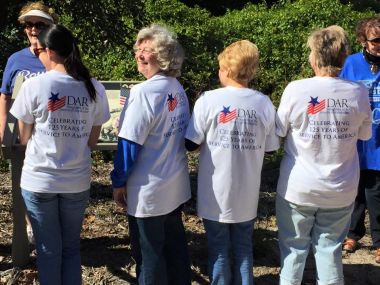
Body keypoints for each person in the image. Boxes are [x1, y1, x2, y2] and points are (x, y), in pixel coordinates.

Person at [9, 24, 110, 285]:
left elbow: (23, 137)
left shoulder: (33, 86)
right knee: (71, 248)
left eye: (38, 50)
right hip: (76, 180)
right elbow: (92, 139)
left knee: (48, 250)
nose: (36, 54)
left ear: (49, 51)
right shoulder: (94, 87)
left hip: (40, 179)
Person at [275, 25, 372, 285]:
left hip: (299, 188)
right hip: (341, 188)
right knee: (329, 251)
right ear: (343, 57)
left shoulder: (295, 89)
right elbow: (364, 135)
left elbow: (278, 130)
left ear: (314, 56)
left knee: (293, 252)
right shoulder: (358, 92)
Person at [185, 40, 279, 285]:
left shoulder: (208, 100)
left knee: (218, 250)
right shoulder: (264, 103)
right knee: (243, 249)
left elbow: (190, 143)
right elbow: (270, 150)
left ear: (226, 70)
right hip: (247, 192)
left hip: (215, 192)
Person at [110, 24, 192, 285]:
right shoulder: (177, 88)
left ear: (163, 56)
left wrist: (118, 181)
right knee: (176, 250)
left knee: (149, 256)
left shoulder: (143, 92)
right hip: (174, 185)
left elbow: (128, 145)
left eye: (147, 50)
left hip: (149, 190)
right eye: (138, 49)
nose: (139, 54)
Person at [340, 16, 380, 264]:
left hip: (378, 139)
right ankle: (352, 234)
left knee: (376, 190)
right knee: (355, 190)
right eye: (376, 40)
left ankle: (379, 242)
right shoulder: (351, 64)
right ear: (364, 41)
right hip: (355, 139)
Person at [1, 1, 58, 142]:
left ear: (50, 28)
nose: (33, 30)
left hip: (52, 139)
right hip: (19, 140)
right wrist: (3, 130)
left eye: (39, 25)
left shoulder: (61, 58)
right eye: (29, 25)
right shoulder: (15, 59)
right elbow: (5, 97)